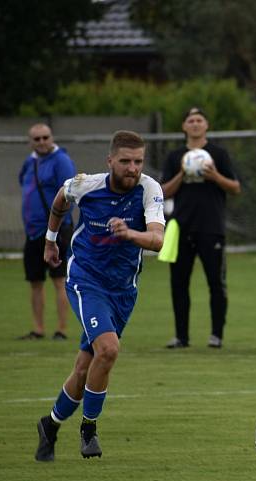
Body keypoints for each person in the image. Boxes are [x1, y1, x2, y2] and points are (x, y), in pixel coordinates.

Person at [34, 131, 165, 462]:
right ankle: (89, 429)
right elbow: (60, 201)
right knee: (108, 350)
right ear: (110, 161)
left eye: (138, 161)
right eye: (125, 161)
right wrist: (51, 240)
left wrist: (129, 232)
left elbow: (157, 240)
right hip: (85, 281)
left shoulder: (150, 189)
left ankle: (49, 425)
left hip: (123, 291)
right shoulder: (85, 185)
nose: (132, 168)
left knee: (84, 368)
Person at [162, 107, 241, 349]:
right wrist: (182, 174)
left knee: (216, 283)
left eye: (199, 120)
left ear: (206, 125)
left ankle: (216, 335)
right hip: (181, 226)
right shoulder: (175, 156)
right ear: (184, 126)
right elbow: (164, 191)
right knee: (179, 283)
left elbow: (235, 187)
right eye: (190, 120)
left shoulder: (218, 154)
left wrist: (215, 176)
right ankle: (181, 337)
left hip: (211, 227)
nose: (195, 124)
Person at [18, 124, 77, 340]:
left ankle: (61, 329)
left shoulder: (61, 161)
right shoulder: (30, 162)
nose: (42, 142)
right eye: (37, 139)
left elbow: (70, 192)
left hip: (56, 231)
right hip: (33, 232)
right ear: (30, 141)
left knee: (59, 279)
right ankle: (38, 328)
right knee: (35, 281)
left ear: (52, 138)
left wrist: (58, 225)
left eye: (45, 137)